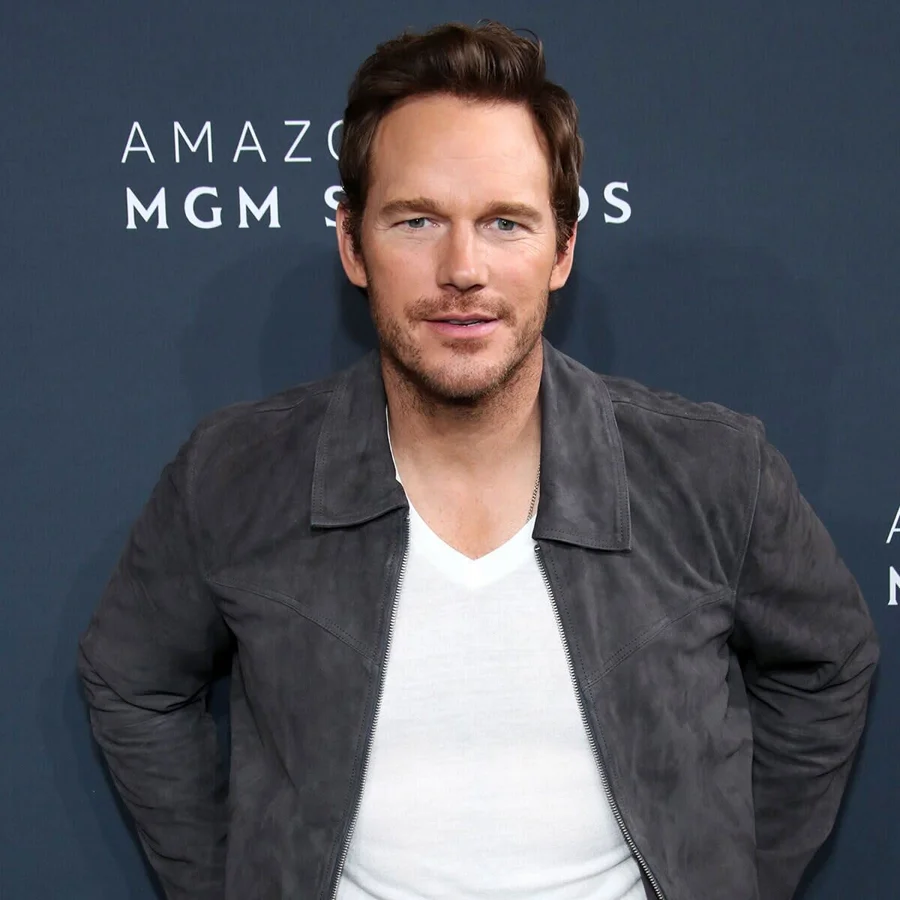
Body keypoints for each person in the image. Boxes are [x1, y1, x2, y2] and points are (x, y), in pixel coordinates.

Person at [78, 20, 878, 900]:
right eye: (417, 220)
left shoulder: (714, 471)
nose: (462, 268)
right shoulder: (234, 474)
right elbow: (131, 678)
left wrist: (728, 878)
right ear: (352, 245)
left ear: (562, 250)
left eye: (504, 222)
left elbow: (828, 664)